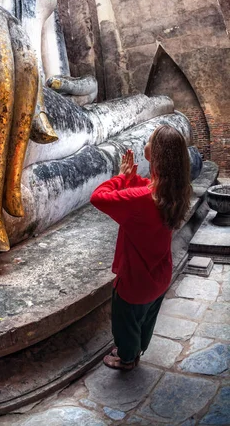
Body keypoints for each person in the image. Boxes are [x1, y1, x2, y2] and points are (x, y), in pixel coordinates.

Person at [90, 124, 192, 370]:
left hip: (135, 281)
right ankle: (138, 350)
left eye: (148, 141)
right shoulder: (176, 192)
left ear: (156, 155)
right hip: (160, 276)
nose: (144, 144)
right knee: (145, 320)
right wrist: (131, 179)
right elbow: (145, 187)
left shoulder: (142, 199)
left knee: (125, 324)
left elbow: (98, 197)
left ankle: (126, 358)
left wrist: (120, 178)